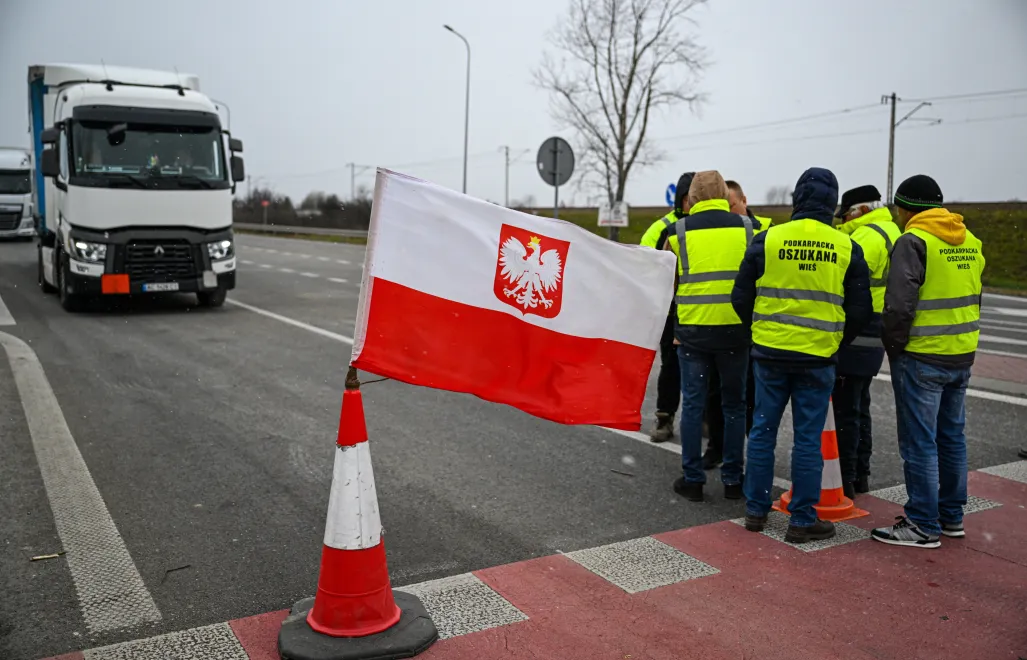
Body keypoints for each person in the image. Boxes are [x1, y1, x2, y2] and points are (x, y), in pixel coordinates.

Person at [732, 167, 872, 543]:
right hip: (817, 357)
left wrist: (758, 332)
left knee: (762, 431)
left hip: (770, 353)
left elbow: (740, 296)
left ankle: (755, 511)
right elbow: (861, 309)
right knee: (808, 439)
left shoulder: (768, 239)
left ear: (797, 199)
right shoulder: (846, 246)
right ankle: (802, 519)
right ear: (832, 203)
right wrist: (836, 340)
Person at [873, 175, 985, 548]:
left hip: (922, 355)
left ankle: (922, 523)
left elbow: (898, 306)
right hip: (960, 353)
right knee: (951, 437)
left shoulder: (913, 241)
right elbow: (975, 295)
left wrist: (895, 347)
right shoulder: (969, 240)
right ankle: (951, 516)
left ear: (907, 209)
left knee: (919, 441)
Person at [664, 170, 753, 501]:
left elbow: (668, 284)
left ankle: (693, 480)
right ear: (725, 197)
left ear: (692, 198)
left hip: (693, 334)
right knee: (734, 405)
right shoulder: (747, 229)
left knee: (693, 405)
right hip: (735, 332)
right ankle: (733, 479)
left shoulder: (677, 233)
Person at [832, 185, 901, 498]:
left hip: (858, 327)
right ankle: (860, 472)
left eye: (846, 215)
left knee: (846, 407)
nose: (843, 220)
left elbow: (841, 279)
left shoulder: (866, 238)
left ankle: (845, 478)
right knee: (860, 403)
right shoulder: (892, 231)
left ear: (860, 210)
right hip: (876, 328)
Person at [702, 180, 769, 468]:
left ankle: (752, 452)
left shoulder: (762, 230)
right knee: (717, 392)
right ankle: (717, 448)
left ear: (744, 200)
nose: (728, 212)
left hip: (754, 327)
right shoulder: (719, 231)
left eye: (731, 205)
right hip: (723, 323)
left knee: (751, 395)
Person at [642, 172, 696, 443]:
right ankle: (664, 418)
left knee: (706, 369)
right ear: (681, 200)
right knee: (671, 367)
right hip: (671, 311)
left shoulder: (708, 225)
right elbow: (643, 263)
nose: (693, 204)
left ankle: (705, 420)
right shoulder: (662, 228)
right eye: (688, 199)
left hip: (700, 309)